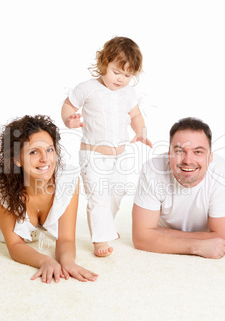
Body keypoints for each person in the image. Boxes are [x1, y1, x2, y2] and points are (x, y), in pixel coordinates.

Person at [0, 115, 98, 283]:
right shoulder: (1, 189)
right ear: (17, 159)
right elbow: (15, 245)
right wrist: (44, 260)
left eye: (49, 149)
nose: (45, 159)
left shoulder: (68, 180)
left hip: (19, 183)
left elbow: (66, 239)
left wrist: (68, 262)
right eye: (34, 151)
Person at [61, 36, 152, 257]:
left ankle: (106, 225)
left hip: (120, 155)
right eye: (116, 72)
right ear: (104, 64)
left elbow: (135, 115)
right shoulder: (87, 88)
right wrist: (69, 120)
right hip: (93, 155)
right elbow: (68, 106)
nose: (121, 79)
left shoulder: (128, 93)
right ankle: (101, 238)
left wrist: (140, 131)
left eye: (128, 75)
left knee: (118, 191)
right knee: (99, 196)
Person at [132, 117, 225, 259]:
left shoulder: (224, 174)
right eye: (179, 151)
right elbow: (140, 238)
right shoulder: (152, 169)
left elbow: (222, 240)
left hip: (161, 237)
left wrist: (156, 233)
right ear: (169, 154)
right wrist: (196, 246)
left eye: (198, 152)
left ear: (210, 156)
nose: (188, 161)